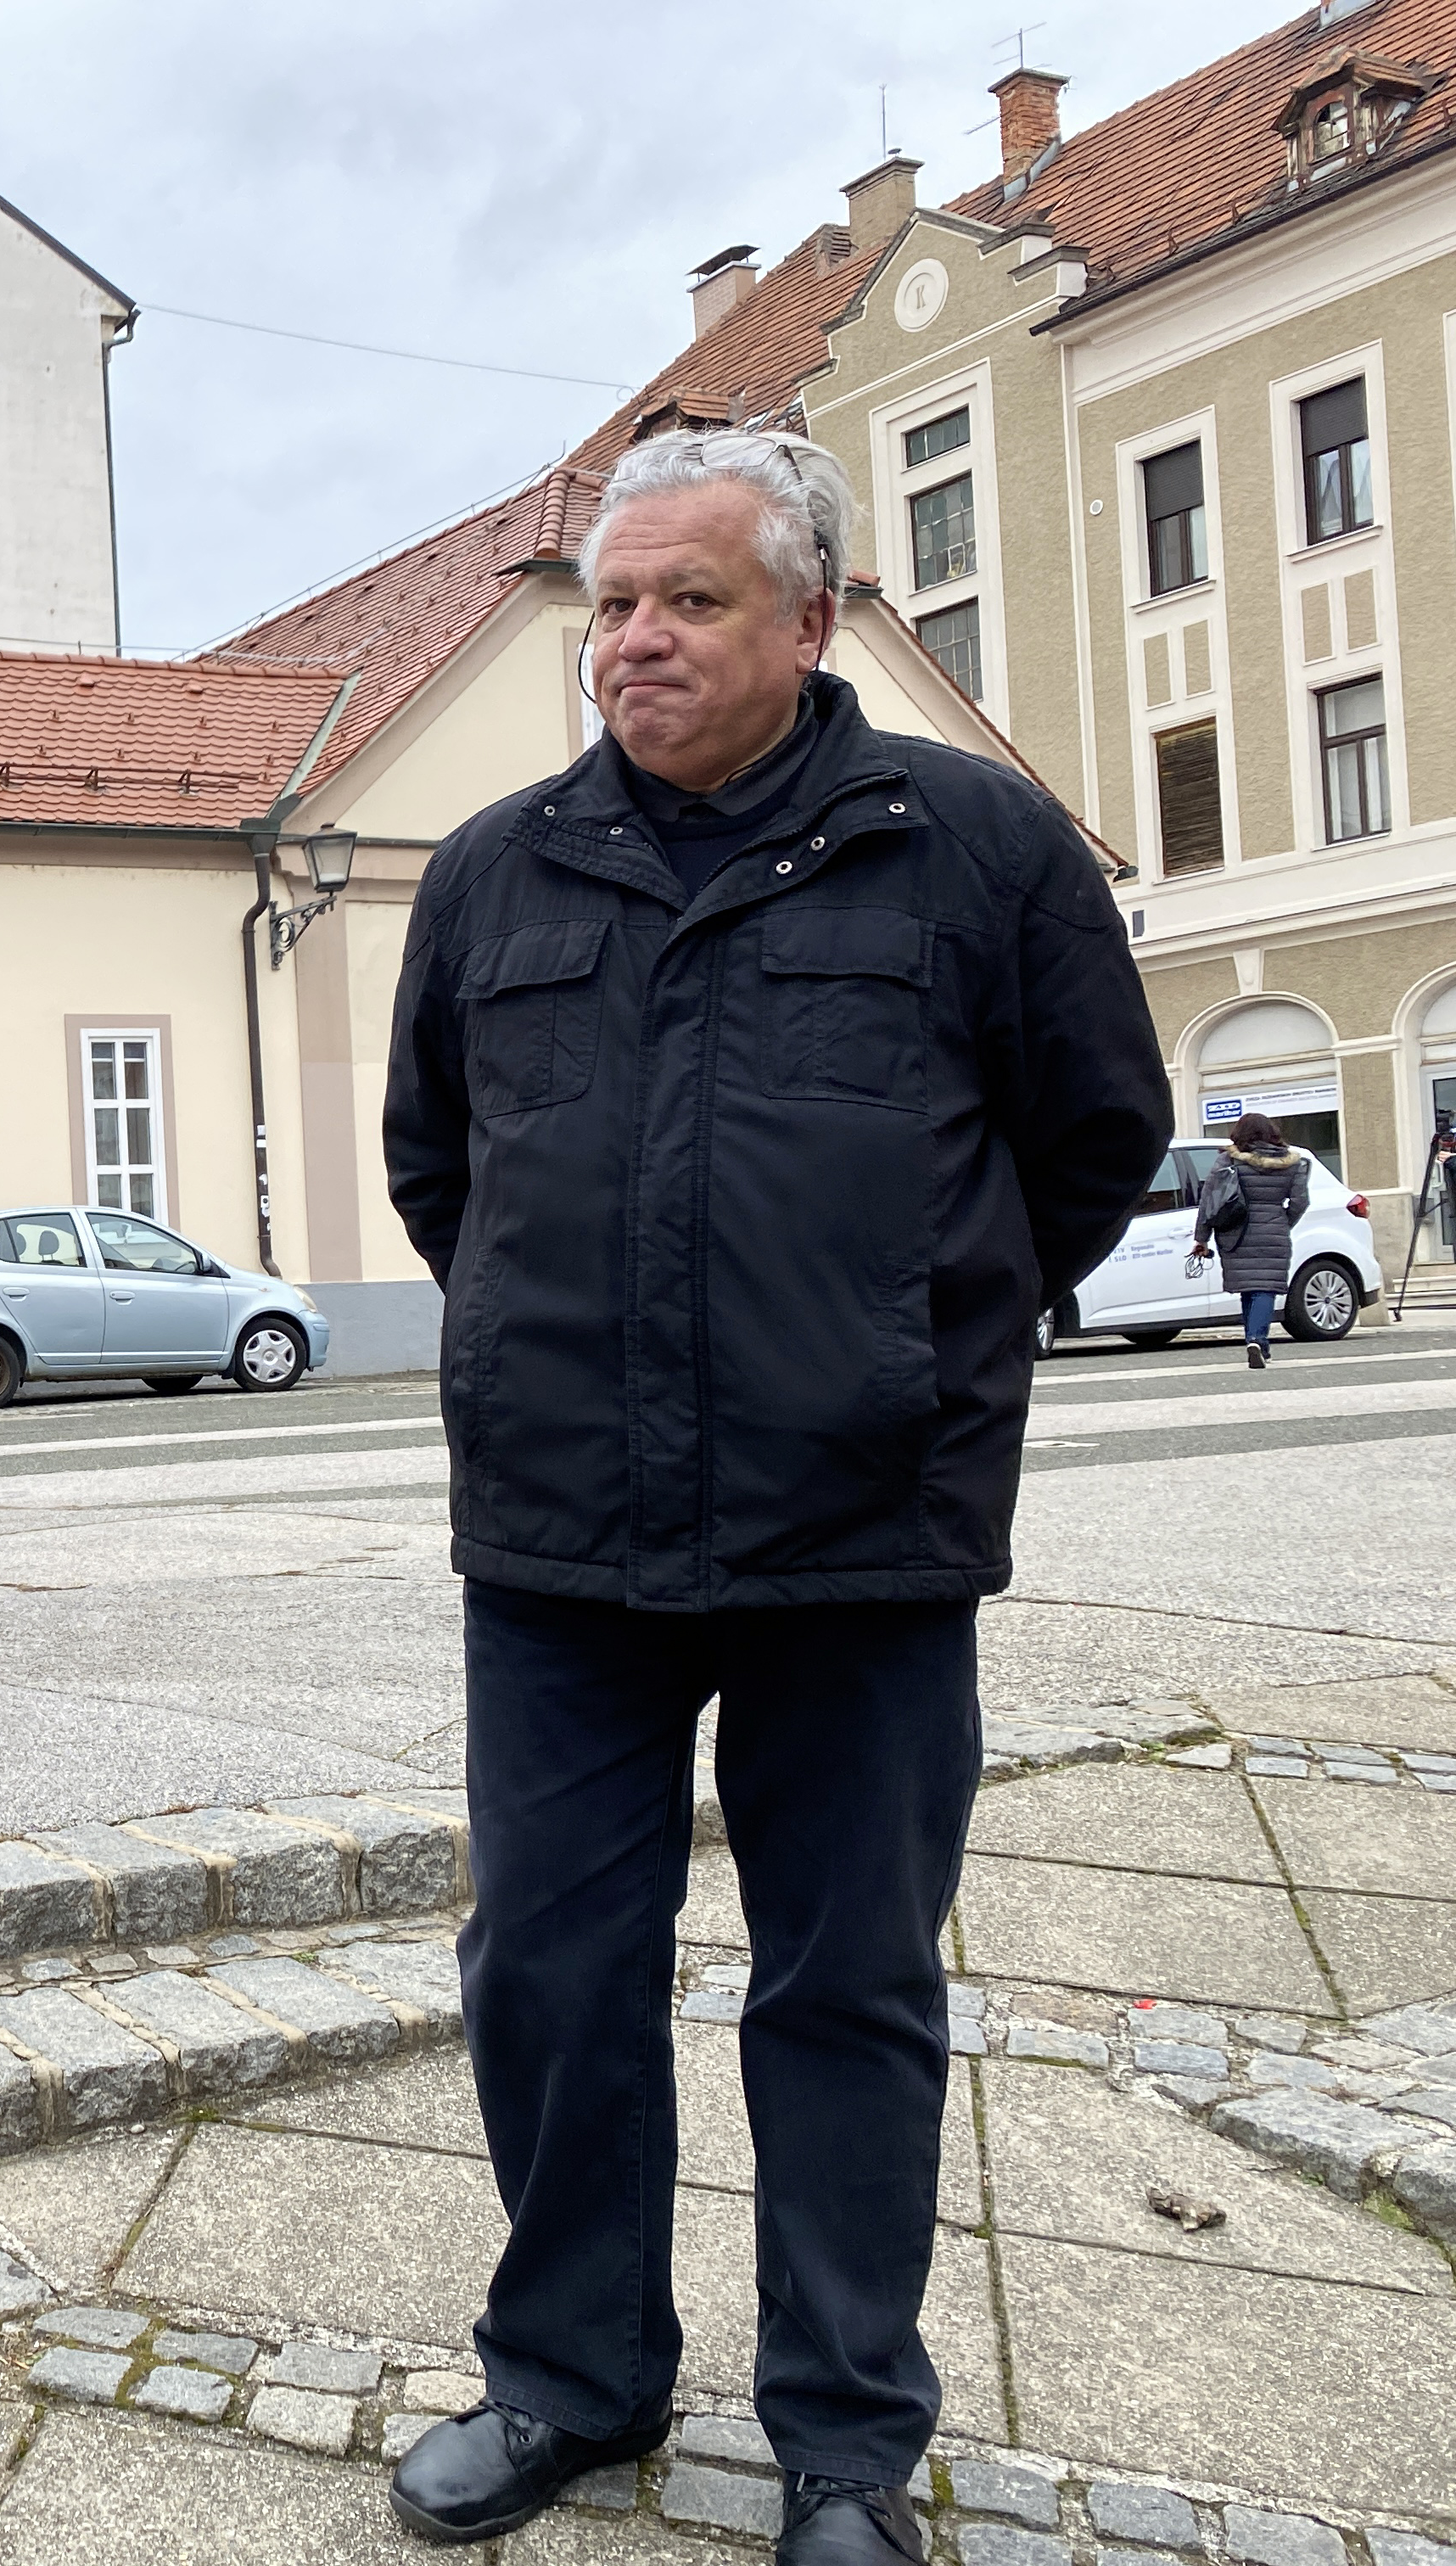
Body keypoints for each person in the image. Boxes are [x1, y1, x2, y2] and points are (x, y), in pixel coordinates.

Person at [381, 429, 1168, 2563]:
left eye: (687, 602)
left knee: (849, 1990)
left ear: (813, 620)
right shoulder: (494, 875)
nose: (632, 642)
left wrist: (911, 1341)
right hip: (560, 1544)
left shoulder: (979, 851)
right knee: (544, 1968)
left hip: (864, 1541)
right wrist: (578, 1344)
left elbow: (1092, 1143)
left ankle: (842, 2445)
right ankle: (569, 2378)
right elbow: (443, 1168)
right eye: (610, 609)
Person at [1194, 1112, 1309, 1369]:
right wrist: (1283, 1222)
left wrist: (1202, 1238)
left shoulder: (1228, 1160)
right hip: (1274, 1233)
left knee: (1249, 1288)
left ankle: (1254, 1340)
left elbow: (1209, 1201)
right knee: (1264, 1288)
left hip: (1237, 1233)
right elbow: (1301, 1201)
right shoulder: (1292, 1163)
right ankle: (1257, 1340)